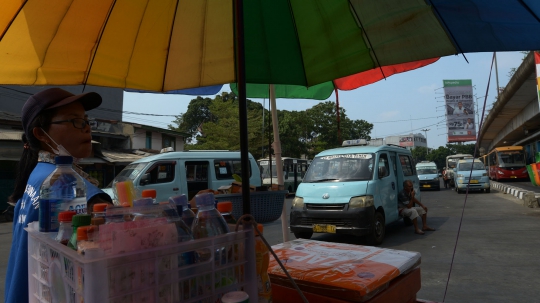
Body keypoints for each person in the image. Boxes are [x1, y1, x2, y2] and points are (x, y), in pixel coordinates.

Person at [5, 88, 113, 303]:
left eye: (86, 120)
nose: (86, 129)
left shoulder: (36, 175)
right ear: (40, 134)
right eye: (74, 121)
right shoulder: (63, 182)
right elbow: (115, 224)